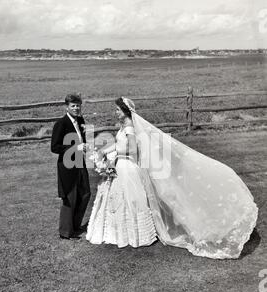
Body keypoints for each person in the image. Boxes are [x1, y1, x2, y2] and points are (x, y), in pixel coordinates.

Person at [86, 97, 258, 259]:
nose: (116, 112)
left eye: (118, 110)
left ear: (125, 111)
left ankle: (132, 233)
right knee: (121, 198)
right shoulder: (123, 126)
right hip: (121, 165)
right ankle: (122, 231)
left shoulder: (130, 126)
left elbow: (132, 150)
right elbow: (118, 143)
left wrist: (112, 155)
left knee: (129, 199)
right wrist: (104, 152)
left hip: (128, 166)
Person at [51, 93, 91, 240]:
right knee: (70, 197)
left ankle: (75, 225)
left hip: (80, 163)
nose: (76, 108)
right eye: (73, 106)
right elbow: (54, 147)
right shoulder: (61, 124)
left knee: (86, 193)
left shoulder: (81, 120)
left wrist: (85, 145)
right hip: (67, 166)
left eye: (78, 105)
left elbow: (82, 138)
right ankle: (66, 232)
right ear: (66, 107)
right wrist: (75, 148)